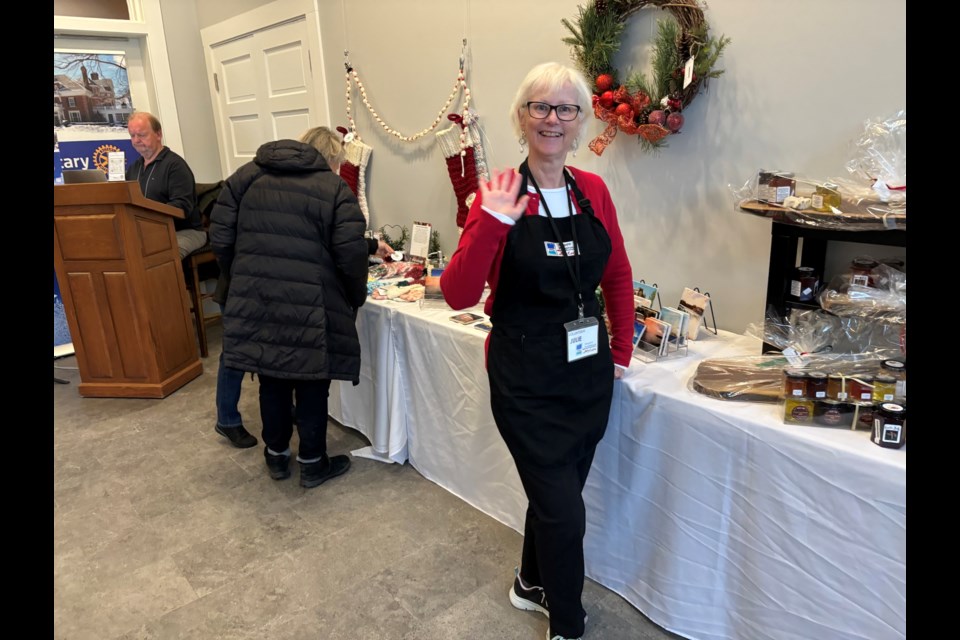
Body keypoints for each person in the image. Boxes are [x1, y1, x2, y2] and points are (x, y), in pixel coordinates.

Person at [440, 62, 634, 640]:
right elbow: (458, 293)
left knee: (559, 498)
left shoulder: (592, 189)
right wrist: (491, 224)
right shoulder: (498, 193)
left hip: (586, 373)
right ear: (522, 118)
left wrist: (620, 352)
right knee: (565, 511)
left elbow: (618, 274)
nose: (553, 119)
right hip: (525, 379)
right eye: (540, 108)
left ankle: (530, 583)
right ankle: (567, 626)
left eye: (566, 109)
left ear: (579, 123)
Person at [210, 126, 393, 450]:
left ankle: (276, 455)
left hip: (258, 298)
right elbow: (346, 252)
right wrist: (355, 296)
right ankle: (312, 463)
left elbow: (221, 235)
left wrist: (242, 276)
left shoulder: (247, 176)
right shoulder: (333, 188)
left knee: (271, 379)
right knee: (311, 383)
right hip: (310, 301)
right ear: (331, 158)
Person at [125, 112, 207, 258]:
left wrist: (150, 220)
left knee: (159, 254)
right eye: (132, 135)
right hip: (147, 232)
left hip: (185, 231)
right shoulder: (133, 168)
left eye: (142, 135)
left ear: (158, 134)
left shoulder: (175, 166)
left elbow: (182, 207)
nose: (136, 140)